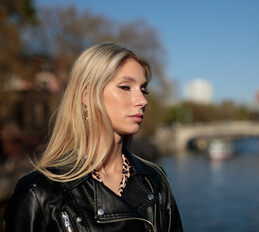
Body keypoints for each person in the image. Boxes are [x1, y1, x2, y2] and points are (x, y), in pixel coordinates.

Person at [4, 43, 183, 232]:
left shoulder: (155, 179)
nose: (143, 100)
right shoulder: (38, 192)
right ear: (87, 95)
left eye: (143, 89)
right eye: (125, 87)